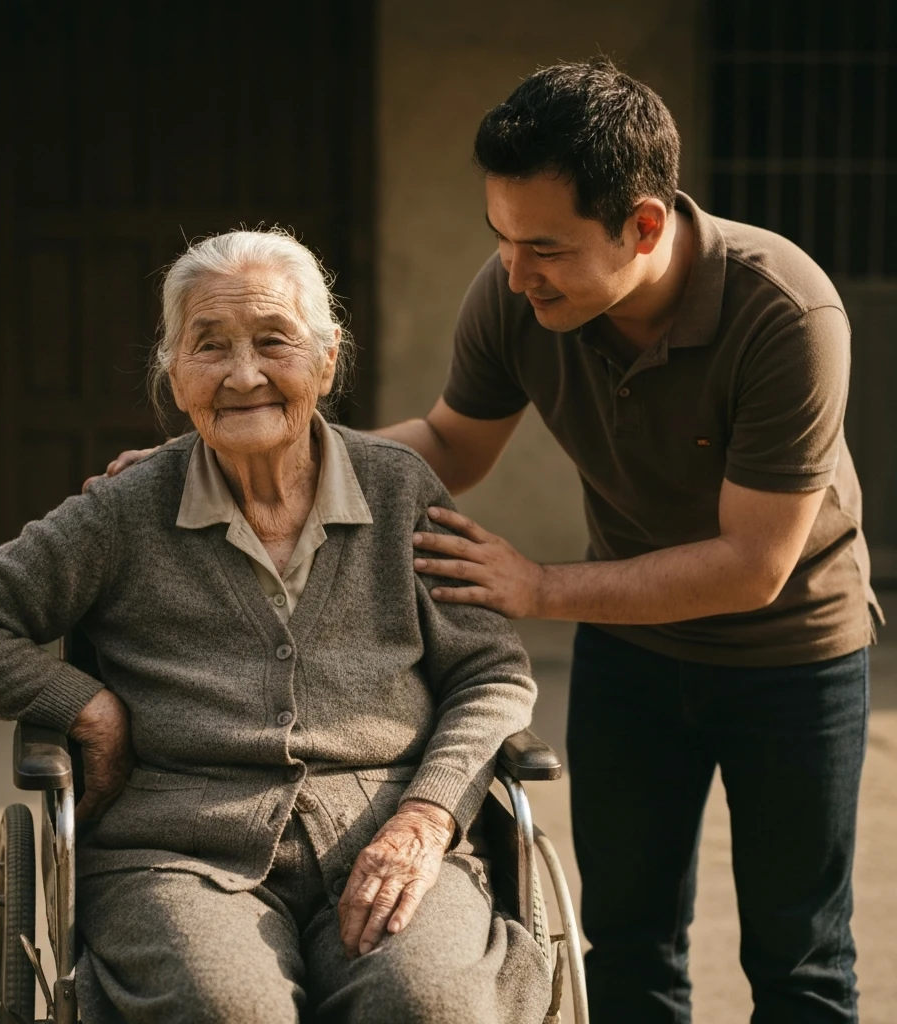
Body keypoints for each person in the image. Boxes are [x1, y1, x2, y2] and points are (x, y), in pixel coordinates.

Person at [100, 59, 880, 1023]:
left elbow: (754, 566)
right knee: (631, 946)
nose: (514, 271)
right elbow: (448, 447)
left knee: (799, 958)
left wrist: (540, 586)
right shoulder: (522, 291)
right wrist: (240, 449)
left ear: (641, 225)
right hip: (631, 650)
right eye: (500, 238)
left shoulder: (783, 312)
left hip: (791, 656)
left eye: (543, 247)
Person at [0, 229, 552, 1024]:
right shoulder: (126, 508)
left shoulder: (399, 490)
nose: (245, 376)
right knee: (225, 1011)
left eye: (274, 341)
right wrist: (87, 707)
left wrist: (428, 814)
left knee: (430, 1003)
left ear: (327, 359)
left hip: (392, 835)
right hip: (175, 853)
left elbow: (491, 673)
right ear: (175, 374)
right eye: (210, 346)